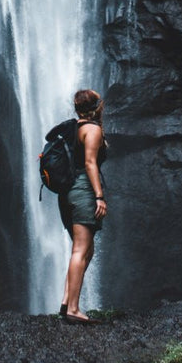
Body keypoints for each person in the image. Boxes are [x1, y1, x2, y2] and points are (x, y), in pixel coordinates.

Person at [59, 87, 108, 324]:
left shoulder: (72, 129)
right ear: (96, 107)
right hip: (83, 192)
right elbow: (90, 163)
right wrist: (99, 196)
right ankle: (74, 309)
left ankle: (66, 302)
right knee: (81, 249)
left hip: (67, 194)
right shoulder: (93, 130)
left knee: (86, 250)